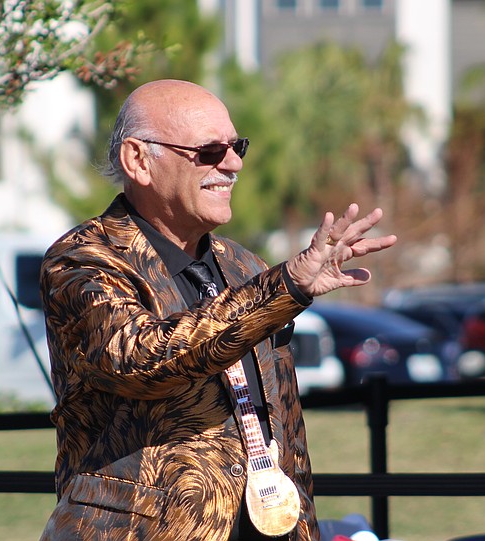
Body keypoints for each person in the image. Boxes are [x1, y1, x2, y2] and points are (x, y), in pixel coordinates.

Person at [38, 79, 397, 541]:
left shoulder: (243, 265)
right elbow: (140, 360)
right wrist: (285, 286)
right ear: (138, 160)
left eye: (236, 147)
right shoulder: (81, 259)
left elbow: (284, 420)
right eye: (209, 151)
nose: (233, 164)